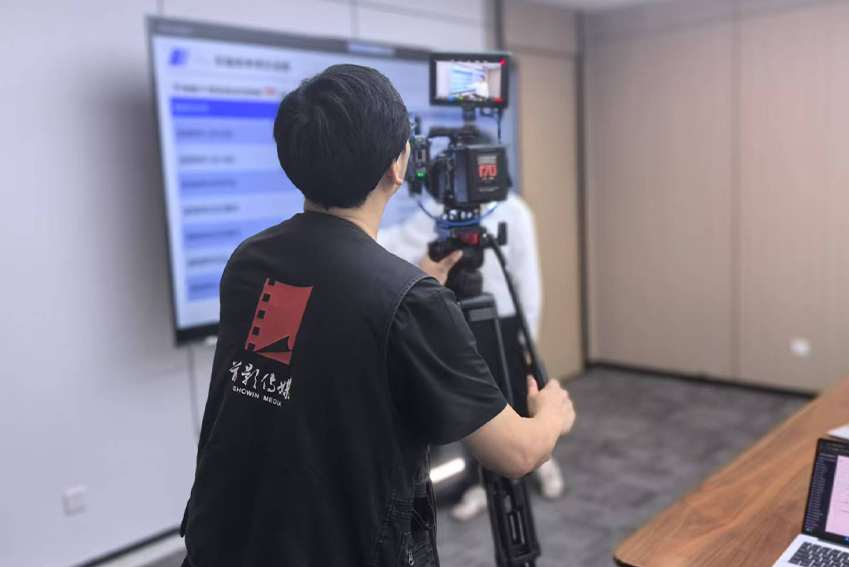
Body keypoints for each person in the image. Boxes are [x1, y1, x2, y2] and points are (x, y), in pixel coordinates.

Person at [178, 64, 576, 567]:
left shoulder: (249, 261)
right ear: (398, 166)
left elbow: (325, 348)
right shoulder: (410, 302)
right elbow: (516, 454)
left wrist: (416, 288)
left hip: (225, 543)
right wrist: (553, 413)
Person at [378, 157, 566, 524]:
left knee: (516, 396)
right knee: (475, 406)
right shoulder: (440, 209)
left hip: (506, 322)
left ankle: (543, 460)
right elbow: (400, 241)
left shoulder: (515, 211)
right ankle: (480, 482)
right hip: (461, 319)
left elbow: (529, 283)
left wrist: (528, 339)